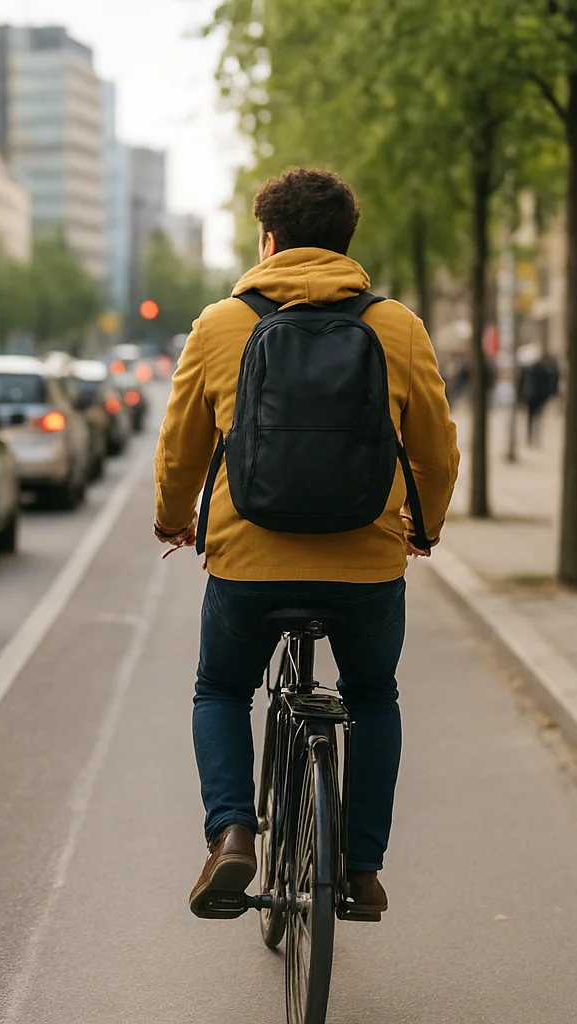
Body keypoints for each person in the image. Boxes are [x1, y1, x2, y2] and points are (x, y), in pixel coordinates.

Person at [154, 168, 459, 919]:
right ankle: (361, 869)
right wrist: (425, 527)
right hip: (365, 566)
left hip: (249, 562)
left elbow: (179, 450)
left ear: (269, 239)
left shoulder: (221, 325)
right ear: (346, 240)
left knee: (222, 690)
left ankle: (231, 834)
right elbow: (437, 453)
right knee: (374, 696)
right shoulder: (398, 327)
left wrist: (173, 519)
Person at [517, 345, 560, 447]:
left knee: (531, 418)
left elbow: (521, 383)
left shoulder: (530, 369)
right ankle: (534, 436)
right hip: (536, 397)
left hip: (532, 396)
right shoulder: (542, 369)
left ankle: (531, 436)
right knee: (536, 417)